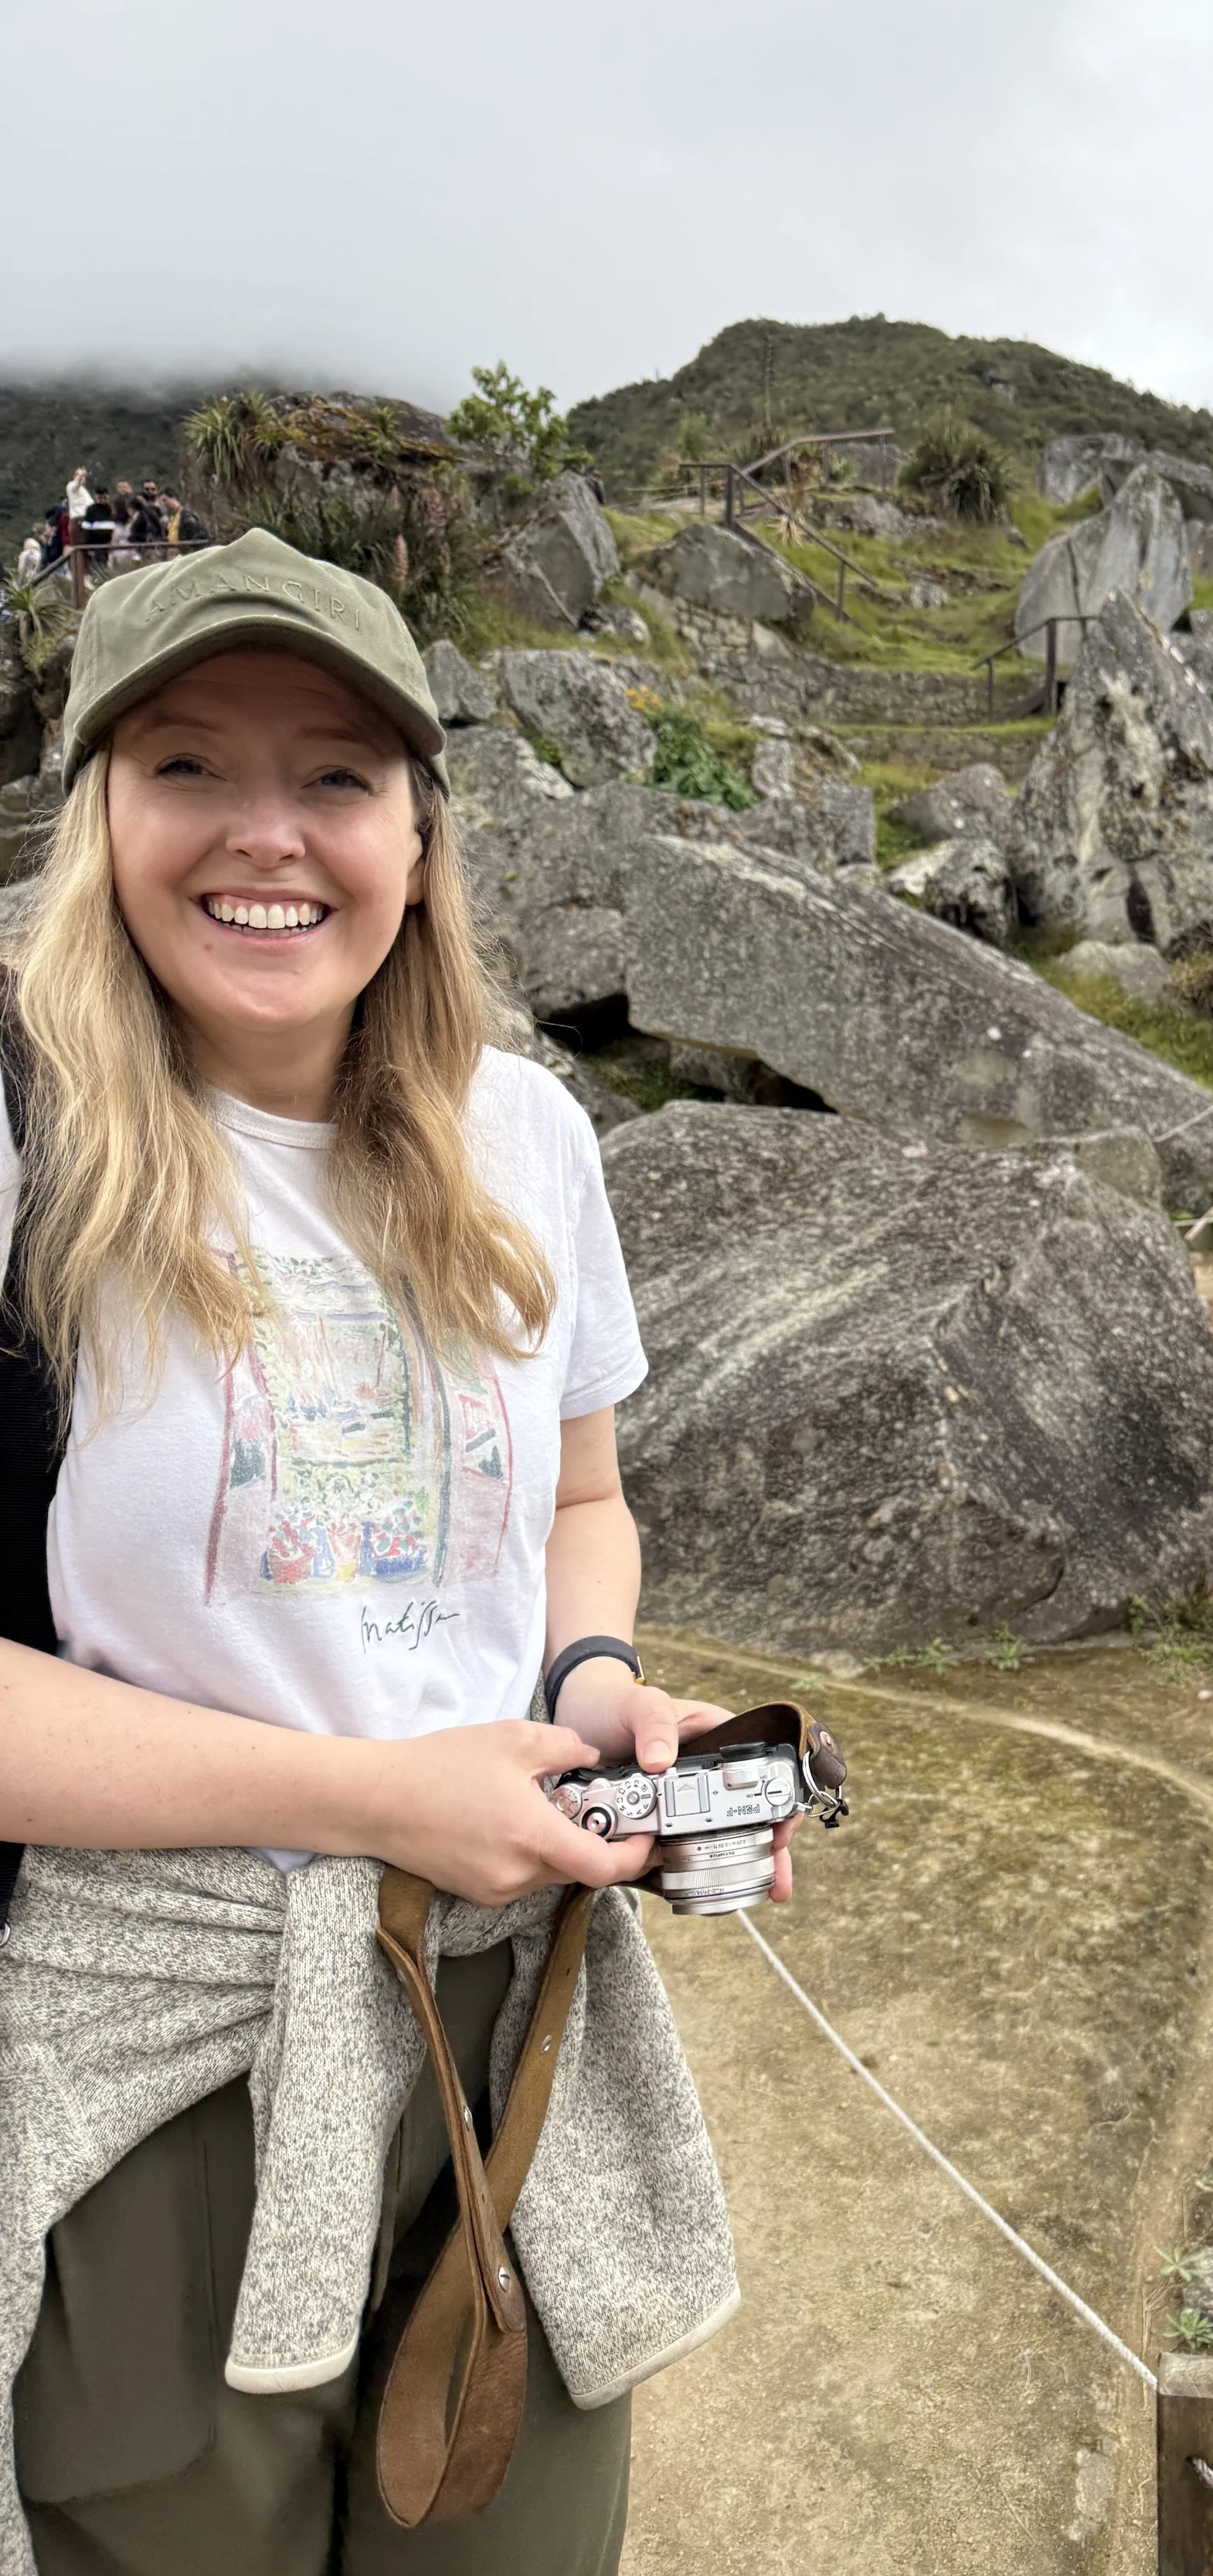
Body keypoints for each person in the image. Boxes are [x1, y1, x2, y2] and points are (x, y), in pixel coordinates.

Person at [0, 527, 773, 2575]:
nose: (270, 835)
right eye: (187, 765)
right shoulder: (21, 1139)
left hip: (499, 2035)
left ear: (420, 833)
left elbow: (580, 1501)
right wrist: (370, 1797)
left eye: (335, 773)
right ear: (100, 812)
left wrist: (592, 1695)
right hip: (165, 2069)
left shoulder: (527, 1137)